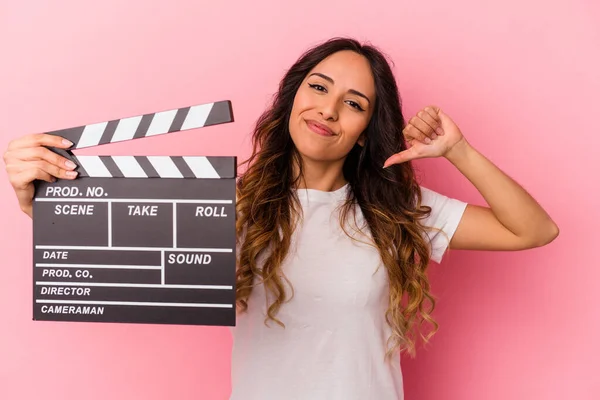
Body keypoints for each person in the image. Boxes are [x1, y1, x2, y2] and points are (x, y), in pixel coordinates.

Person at [3, 37, 559, 399]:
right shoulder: (228, 205)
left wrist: (457, 151)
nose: (329, 108)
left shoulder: (396, 209)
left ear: (368, 127)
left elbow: (534, 230)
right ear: (293, 98)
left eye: (354, 102)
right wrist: (42, 202)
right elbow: (118, 257)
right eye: (318, 87)